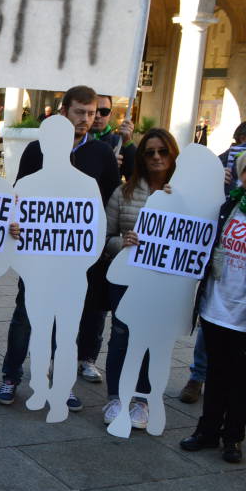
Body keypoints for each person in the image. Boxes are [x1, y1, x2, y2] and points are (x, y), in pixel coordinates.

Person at [0, 85, 120, 410]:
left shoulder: (101, 154)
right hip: (36, 256)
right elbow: (18, 198)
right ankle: (11, 377)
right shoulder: (36, 150)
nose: (86, 119)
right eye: (80, 112)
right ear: (63, 112)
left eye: (92, 113)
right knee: (25, 317)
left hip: (74, 260)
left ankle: (62, 384)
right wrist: (15, 226)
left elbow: (107, 205)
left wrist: (95, 249)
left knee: (67, 323)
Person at [180, 147, 246, 463]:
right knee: (217, 374)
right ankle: (207, 432)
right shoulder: (229, 206)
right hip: (216, 307)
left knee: (244, 380)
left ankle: (233, 438)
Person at [102, 128, 179, 427]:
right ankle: (115, 397)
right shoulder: (124, 193)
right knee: (121, 335)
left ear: (173, 155)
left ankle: (142, 399)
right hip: (127, 277)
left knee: (153, 339)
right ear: (142, 158)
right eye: (150, 152)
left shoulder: (184, 194)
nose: (157, 157)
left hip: (165, 280)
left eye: (163, 151)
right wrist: (124, 243)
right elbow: (105, 237)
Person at [89, 95, 136, 180]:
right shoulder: (74, 140)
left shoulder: (119, 142)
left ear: (110, 114)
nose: (98, 115)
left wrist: (128, 143)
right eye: (94, 110)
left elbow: (134, 178)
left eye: (104, 111)